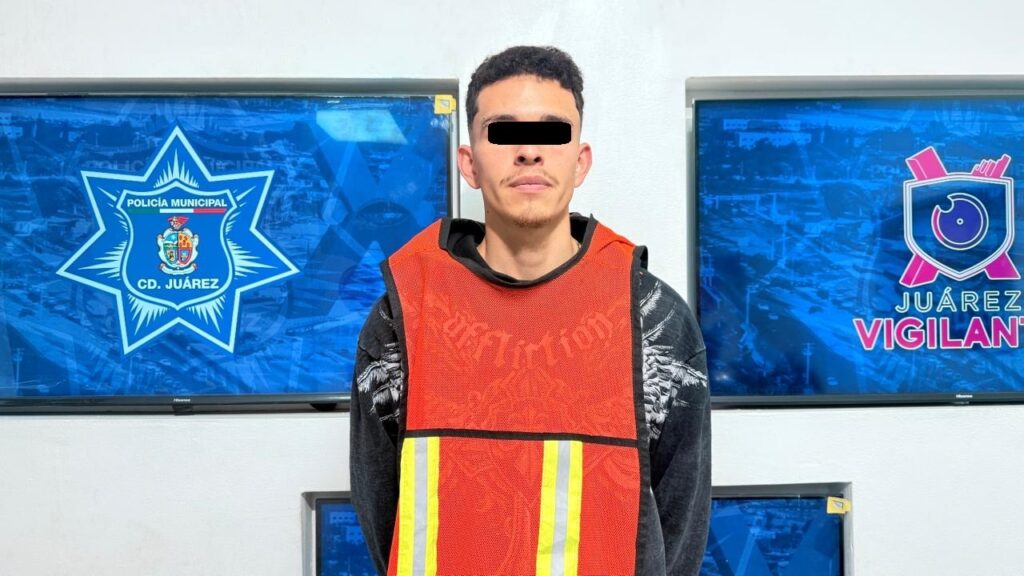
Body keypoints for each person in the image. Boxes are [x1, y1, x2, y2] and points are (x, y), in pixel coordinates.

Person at [350, 45, 710, 576]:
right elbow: (385, 516)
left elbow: (677, 533)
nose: (529, 152)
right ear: (469, 163)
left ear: (580, 161)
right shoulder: (401, 319)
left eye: (552, 133)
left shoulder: (654, 320)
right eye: (503, 132)